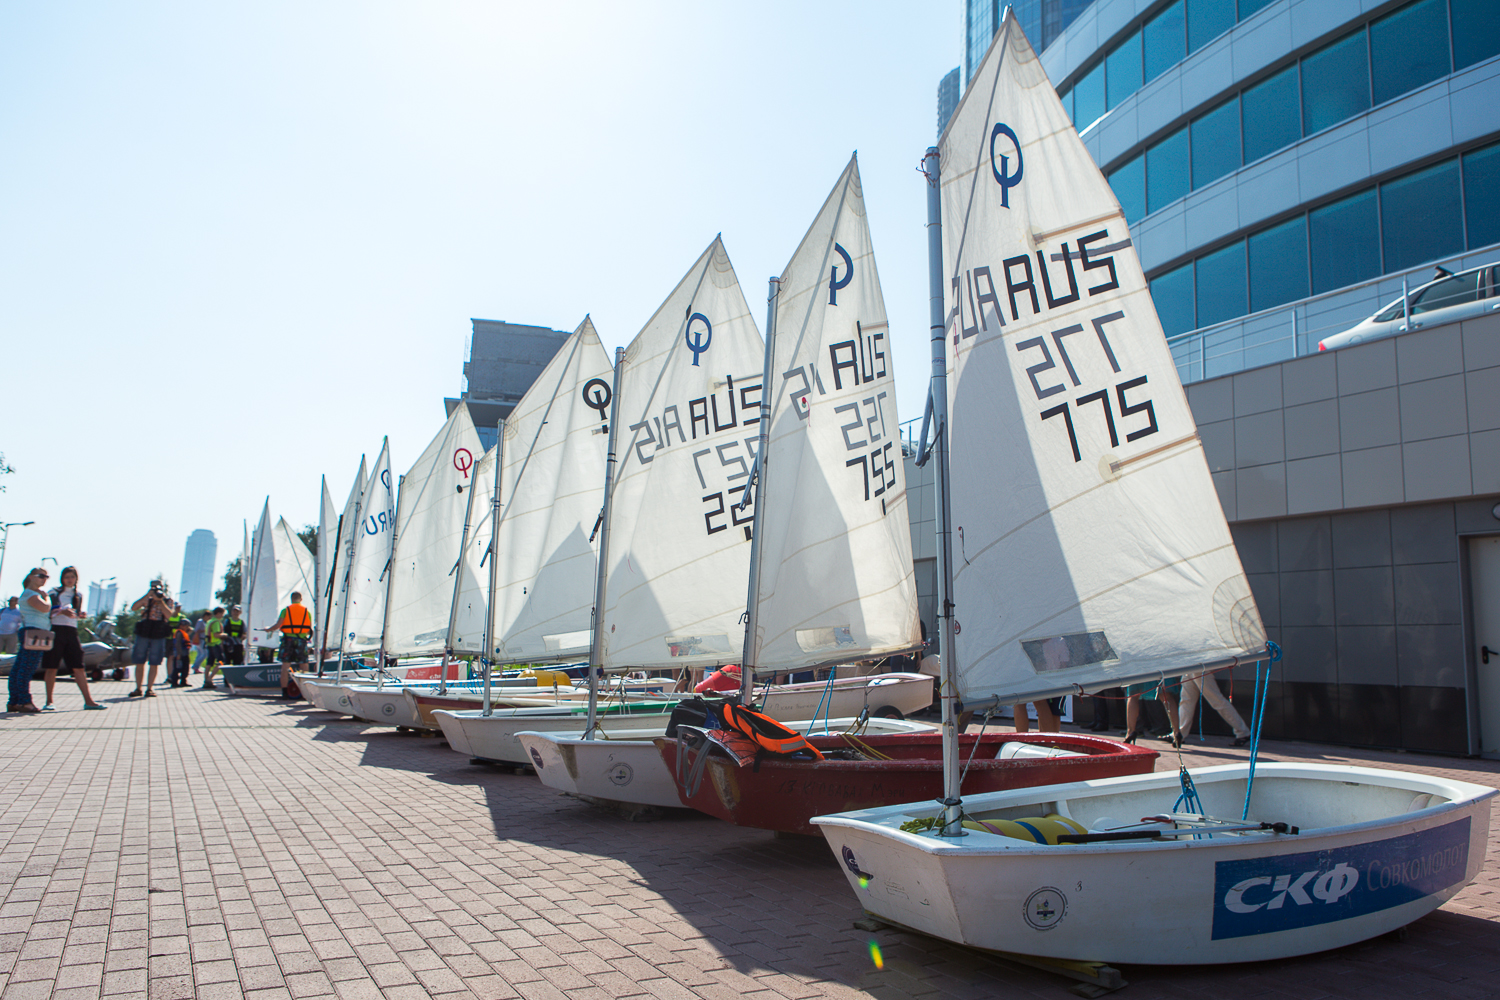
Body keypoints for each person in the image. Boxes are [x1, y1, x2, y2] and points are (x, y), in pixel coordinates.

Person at [41, 567, 105, 710]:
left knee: (78, 667)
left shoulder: (78, 595)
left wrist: (80, 615)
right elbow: (47, 611)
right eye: (66, 577)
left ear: (76, 579)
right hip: (56, 630)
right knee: (52, 666)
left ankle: (88, 700)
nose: (69, 580)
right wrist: (61, 611)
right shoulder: (54, 592)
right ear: (62, 578)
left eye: (72, 577)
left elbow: (75, 613)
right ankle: (49, 701)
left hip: (71, 631)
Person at [9, 568, 52, 713]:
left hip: (32, 631)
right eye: (41, 576)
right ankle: (24, 701)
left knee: (20, 666)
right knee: (27, 667)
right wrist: (47, 597)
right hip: (34, 633)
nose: (44, 579)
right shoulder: (31, 594)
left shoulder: (29, 594)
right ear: (31, 577)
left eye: (46, 576)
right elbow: (45, 608)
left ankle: (14, 701)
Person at [1179, 667, 1251, 747]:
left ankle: (1243, 732)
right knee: (1186, 701)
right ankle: (1179, 733)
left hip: (1200, 665)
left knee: (1217, 701)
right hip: (1190, 666)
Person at [128, 581, 173, 697]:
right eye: (154, 587)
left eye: (158, 587)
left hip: (159, 631)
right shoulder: (147, 599)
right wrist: (147, 595)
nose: (156, 589)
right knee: (139, 660)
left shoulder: (167, 600)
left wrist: (160, 601)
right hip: (145, 630)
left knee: (155, 661)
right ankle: (138, 688)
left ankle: (150, 688)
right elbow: (134, 608)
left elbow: (169, 615)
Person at [265, 592, 312, 699]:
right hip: (301, 640)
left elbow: (278, 625)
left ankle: (285, 693)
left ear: (291, 599)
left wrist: (268, 629)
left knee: (285, 666)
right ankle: (306, 692)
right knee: (304, 665)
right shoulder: (306, 611)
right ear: (301, 599)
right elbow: (309, 630)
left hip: (288, 640)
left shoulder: (285, 611)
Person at [1124, 677, 1183, 747]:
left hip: (1139, 669)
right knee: (1167, 697)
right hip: (1159, 667)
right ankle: (1176, 732)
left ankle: (1130, 732)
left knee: (1133, 696)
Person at [202, 607, 225, 689]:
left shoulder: (209, 621)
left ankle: (206, 680)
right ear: (218, 613)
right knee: (221, 661)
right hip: (216, 644)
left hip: (209, 644)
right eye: (222, 614)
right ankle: (210, 679)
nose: (223, 616)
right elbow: (216, 634)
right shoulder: (216, 622)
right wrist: (224, 635)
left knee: (209, 663)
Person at [169, 616, 194, 687]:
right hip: (180, 654)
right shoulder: (179, 633)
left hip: (185, 653)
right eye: (186, 626)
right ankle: (174, 682)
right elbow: (178, 644)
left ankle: (183, 681)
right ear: (181, 625)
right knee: (177, 668)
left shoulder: (184, 633)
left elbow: (191, 630)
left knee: (185, 668)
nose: (187, 627)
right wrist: (178, 654)